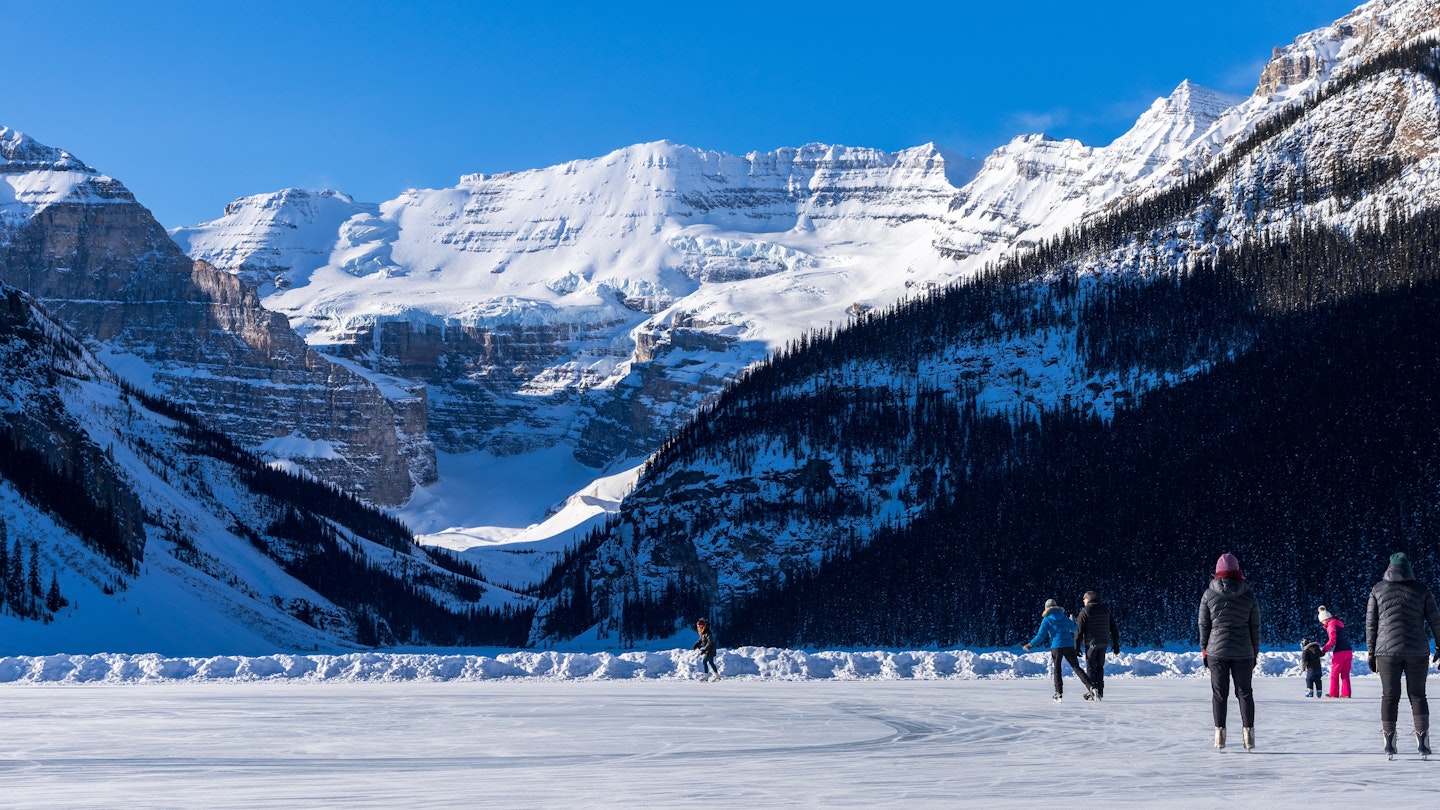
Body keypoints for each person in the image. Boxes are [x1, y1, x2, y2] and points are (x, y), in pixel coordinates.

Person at [1365, 552, 1440, 759]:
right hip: (1417, 651)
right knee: (1418, 696)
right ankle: (1423, 742)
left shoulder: (1378, 589)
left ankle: (1389, 743)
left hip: (1386, 652)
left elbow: (1371, 624)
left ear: (1389, 568)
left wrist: (1371, 652)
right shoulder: (1422, 590)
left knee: (1389, 696)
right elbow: (1435, 620)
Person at [1198, 552, 1261, 750]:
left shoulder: (1209, 594)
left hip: (1216, 650)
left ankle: (1219, 736)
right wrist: (1255, 651)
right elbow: (1255, 626)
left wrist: (1204, 648)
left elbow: (1203, 624)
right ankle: (1249, 736)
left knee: (1219, 694)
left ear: (1217, 572)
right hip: (1244, 651)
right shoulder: (1249, 594)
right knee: (1245, 693)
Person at [1023, 598, 1094, 702]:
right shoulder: (1064, 617)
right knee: (1076, 668)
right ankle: (1092, 688)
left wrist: (1030, 644)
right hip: (1069, 646)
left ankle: (1058, 693)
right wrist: (1072, 621)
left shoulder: (1047, 619)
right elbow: (1074, 628)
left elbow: (1041, 635)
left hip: (1057, 647)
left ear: (1046, 608)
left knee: (1057, 670)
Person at [1074, 590, 1121, 701]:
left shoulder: (1085, 611)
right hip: (1104, 642)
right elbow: (1114, 628)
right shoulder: (1105, 610)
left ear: (1089, 599)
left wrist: (1076, 646)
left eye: (1084, 599)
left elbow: (1079, 631)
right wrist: (1116, 643)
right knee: (1100, 667)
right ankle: (1100, 691)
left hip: (1091, 643)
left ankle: (1092, 690)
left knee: (1091, 667)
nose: (1083, 601)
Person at [1316, 605, 1353, 698]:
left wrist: (1324, 649)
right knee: (1345, 674)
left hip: (1340, 652)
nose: (1323, 624)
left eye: (1322, 621)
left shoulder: (1331, 625)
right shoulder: (1339, 623)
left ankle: (1334, 693)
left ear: (1325, 619)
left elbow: (1332, 639)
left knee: (1334, 674)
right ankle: (1346, 693)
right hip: (1348, 650)